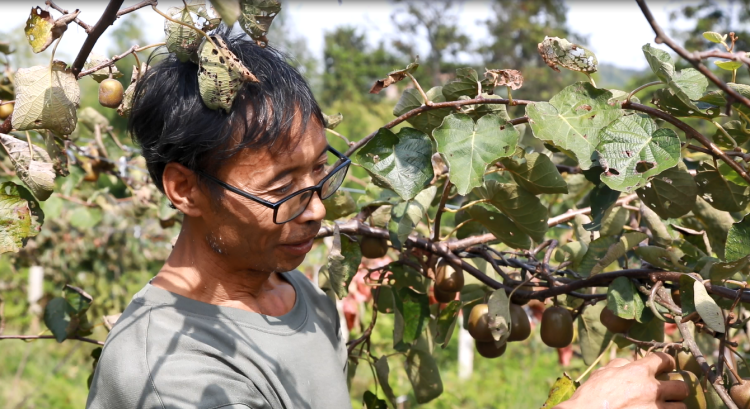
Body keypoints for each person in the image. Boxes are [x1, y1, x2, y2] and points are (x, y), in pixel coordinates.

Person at [86, 27, 689, 409]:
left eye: (320, 172)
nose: (317, 207)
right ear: (184, 189)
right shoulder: (173, 377)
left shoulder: (299, 296)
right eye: (281, 189)